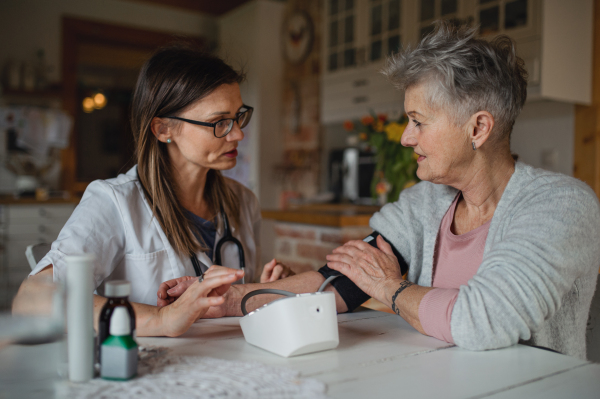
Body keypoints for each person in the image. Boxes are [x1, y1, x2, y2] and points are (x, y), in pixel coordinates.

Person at [161, 23, 600, 359]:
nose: (406, 138)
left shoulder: (560, 206)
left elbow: (484, 320)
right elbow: (349, 280)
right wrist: (230, 299)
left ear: (478, 128)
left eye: (418, 121)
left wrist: (392, 289)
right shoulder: (426, 203)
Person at [12, 44, 293, 337]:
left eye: (238, 116)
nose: (237, 133)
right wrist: (162, 318)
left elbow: (234, 301)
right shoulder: (115, 202)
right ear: (162, 130)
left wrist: (263, 287)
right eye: (219, 122)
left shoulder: (243, 201)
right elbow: (32, 299)